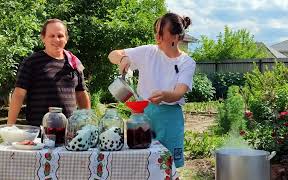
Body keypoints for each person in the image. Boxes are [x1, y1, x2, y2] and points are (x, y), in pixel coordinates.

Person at [108, 12, 196, 167]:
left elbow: (178, 93)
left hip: (170, 118)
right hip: (143, 116)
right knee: (142, 161)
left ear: (176, 37)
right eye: (156, 32)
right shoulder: (149, 51)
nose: (157, 38)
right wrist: (123, 58)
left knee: (168, 165)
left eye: (162, 33)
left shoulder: (186, 62)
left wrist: (164, 95)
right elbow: (112, 55)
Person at [7, 19, 91, 126]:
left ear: (66, 39)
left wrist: (87, 124)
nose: (56, 39)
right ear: (43, 38)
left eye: (60, 36)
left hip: (69, 132)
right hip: (39, 132)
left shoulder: (75, 63)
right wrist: (10, 126)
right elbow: (18, 94)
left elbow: (81, 94)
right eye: (52, 36)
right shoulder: (31, 62)